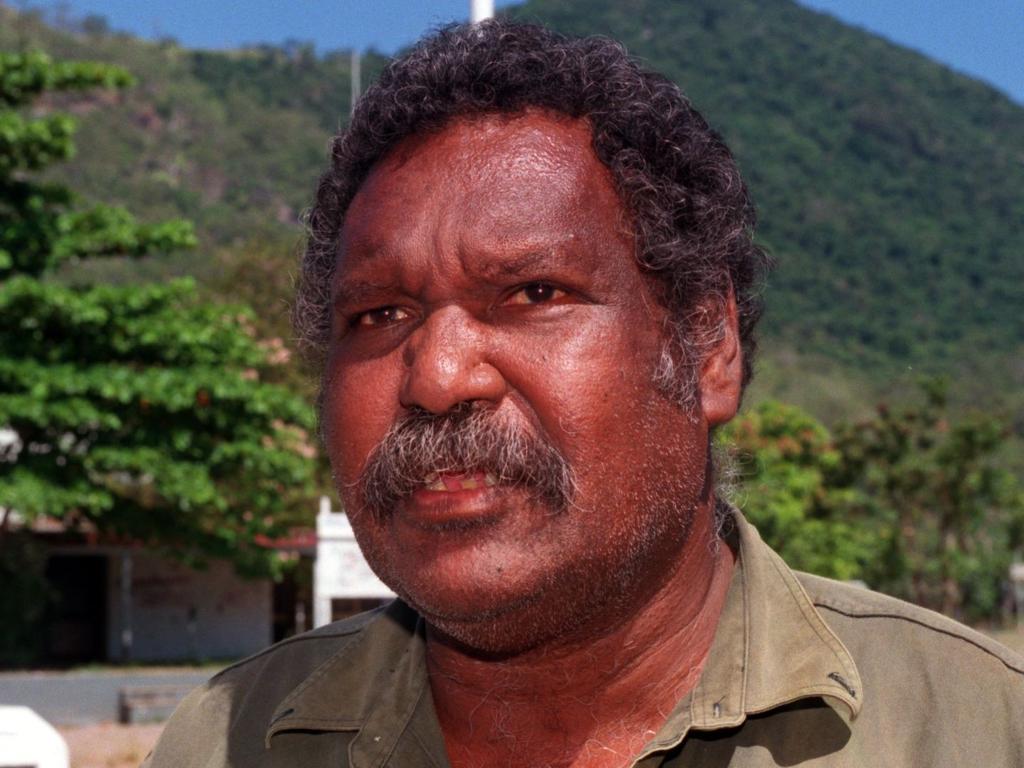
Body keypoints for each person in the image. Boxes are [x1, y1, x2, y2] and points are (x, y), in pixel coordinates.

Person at [144, 19, 1023, 768]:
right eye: (379, 314)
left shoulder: (972, 730)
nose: (438, 376)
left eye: (533, 294)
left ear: (707, 347)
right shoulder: (228, 741)